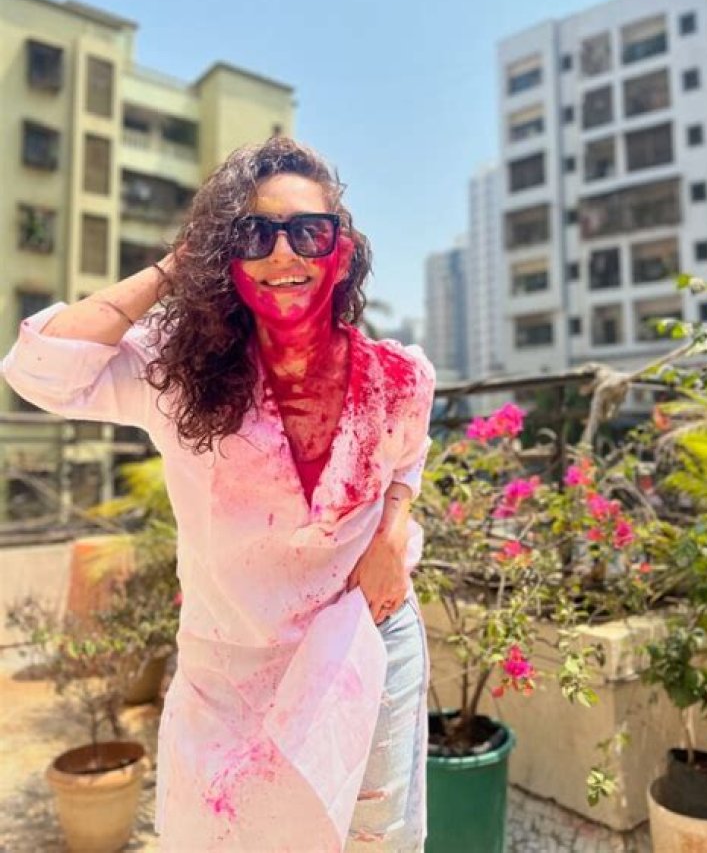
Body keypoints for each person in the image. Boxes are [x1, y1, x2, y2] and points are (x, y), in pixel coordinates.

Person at [2, 137, 435, 852]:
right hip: (232, 677)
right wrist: (176, 266)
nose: (283, 252)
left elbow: (408, 457)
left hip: (363, 649)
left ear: (343, 251)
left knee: (375, 843)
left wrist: (393, 528)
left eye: (309, 232)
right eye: (254, 234)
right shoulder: (178, 376)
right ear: (225, 257)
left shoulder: (398, 377)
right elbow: (37, 368)